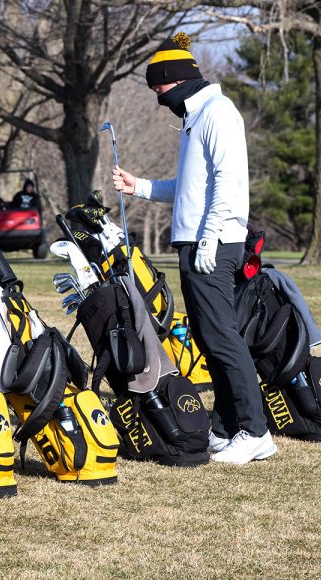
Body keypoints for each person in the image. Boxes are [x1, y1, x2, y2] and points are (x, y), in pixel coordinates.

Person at [111, 32, 276, 465]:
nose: (157, 96)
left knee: (221, 336)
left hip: (214, 243)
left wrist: (210, 236)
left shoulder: (218, 113)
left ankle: (255, 431)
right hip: (199, 241)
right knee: (208, 336)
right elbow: (188, 187)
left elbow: (228, 181)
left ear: (178, 79)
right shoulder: (194, 116)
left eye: (158, 87)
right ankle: (225, 428)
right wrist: (140, 187)